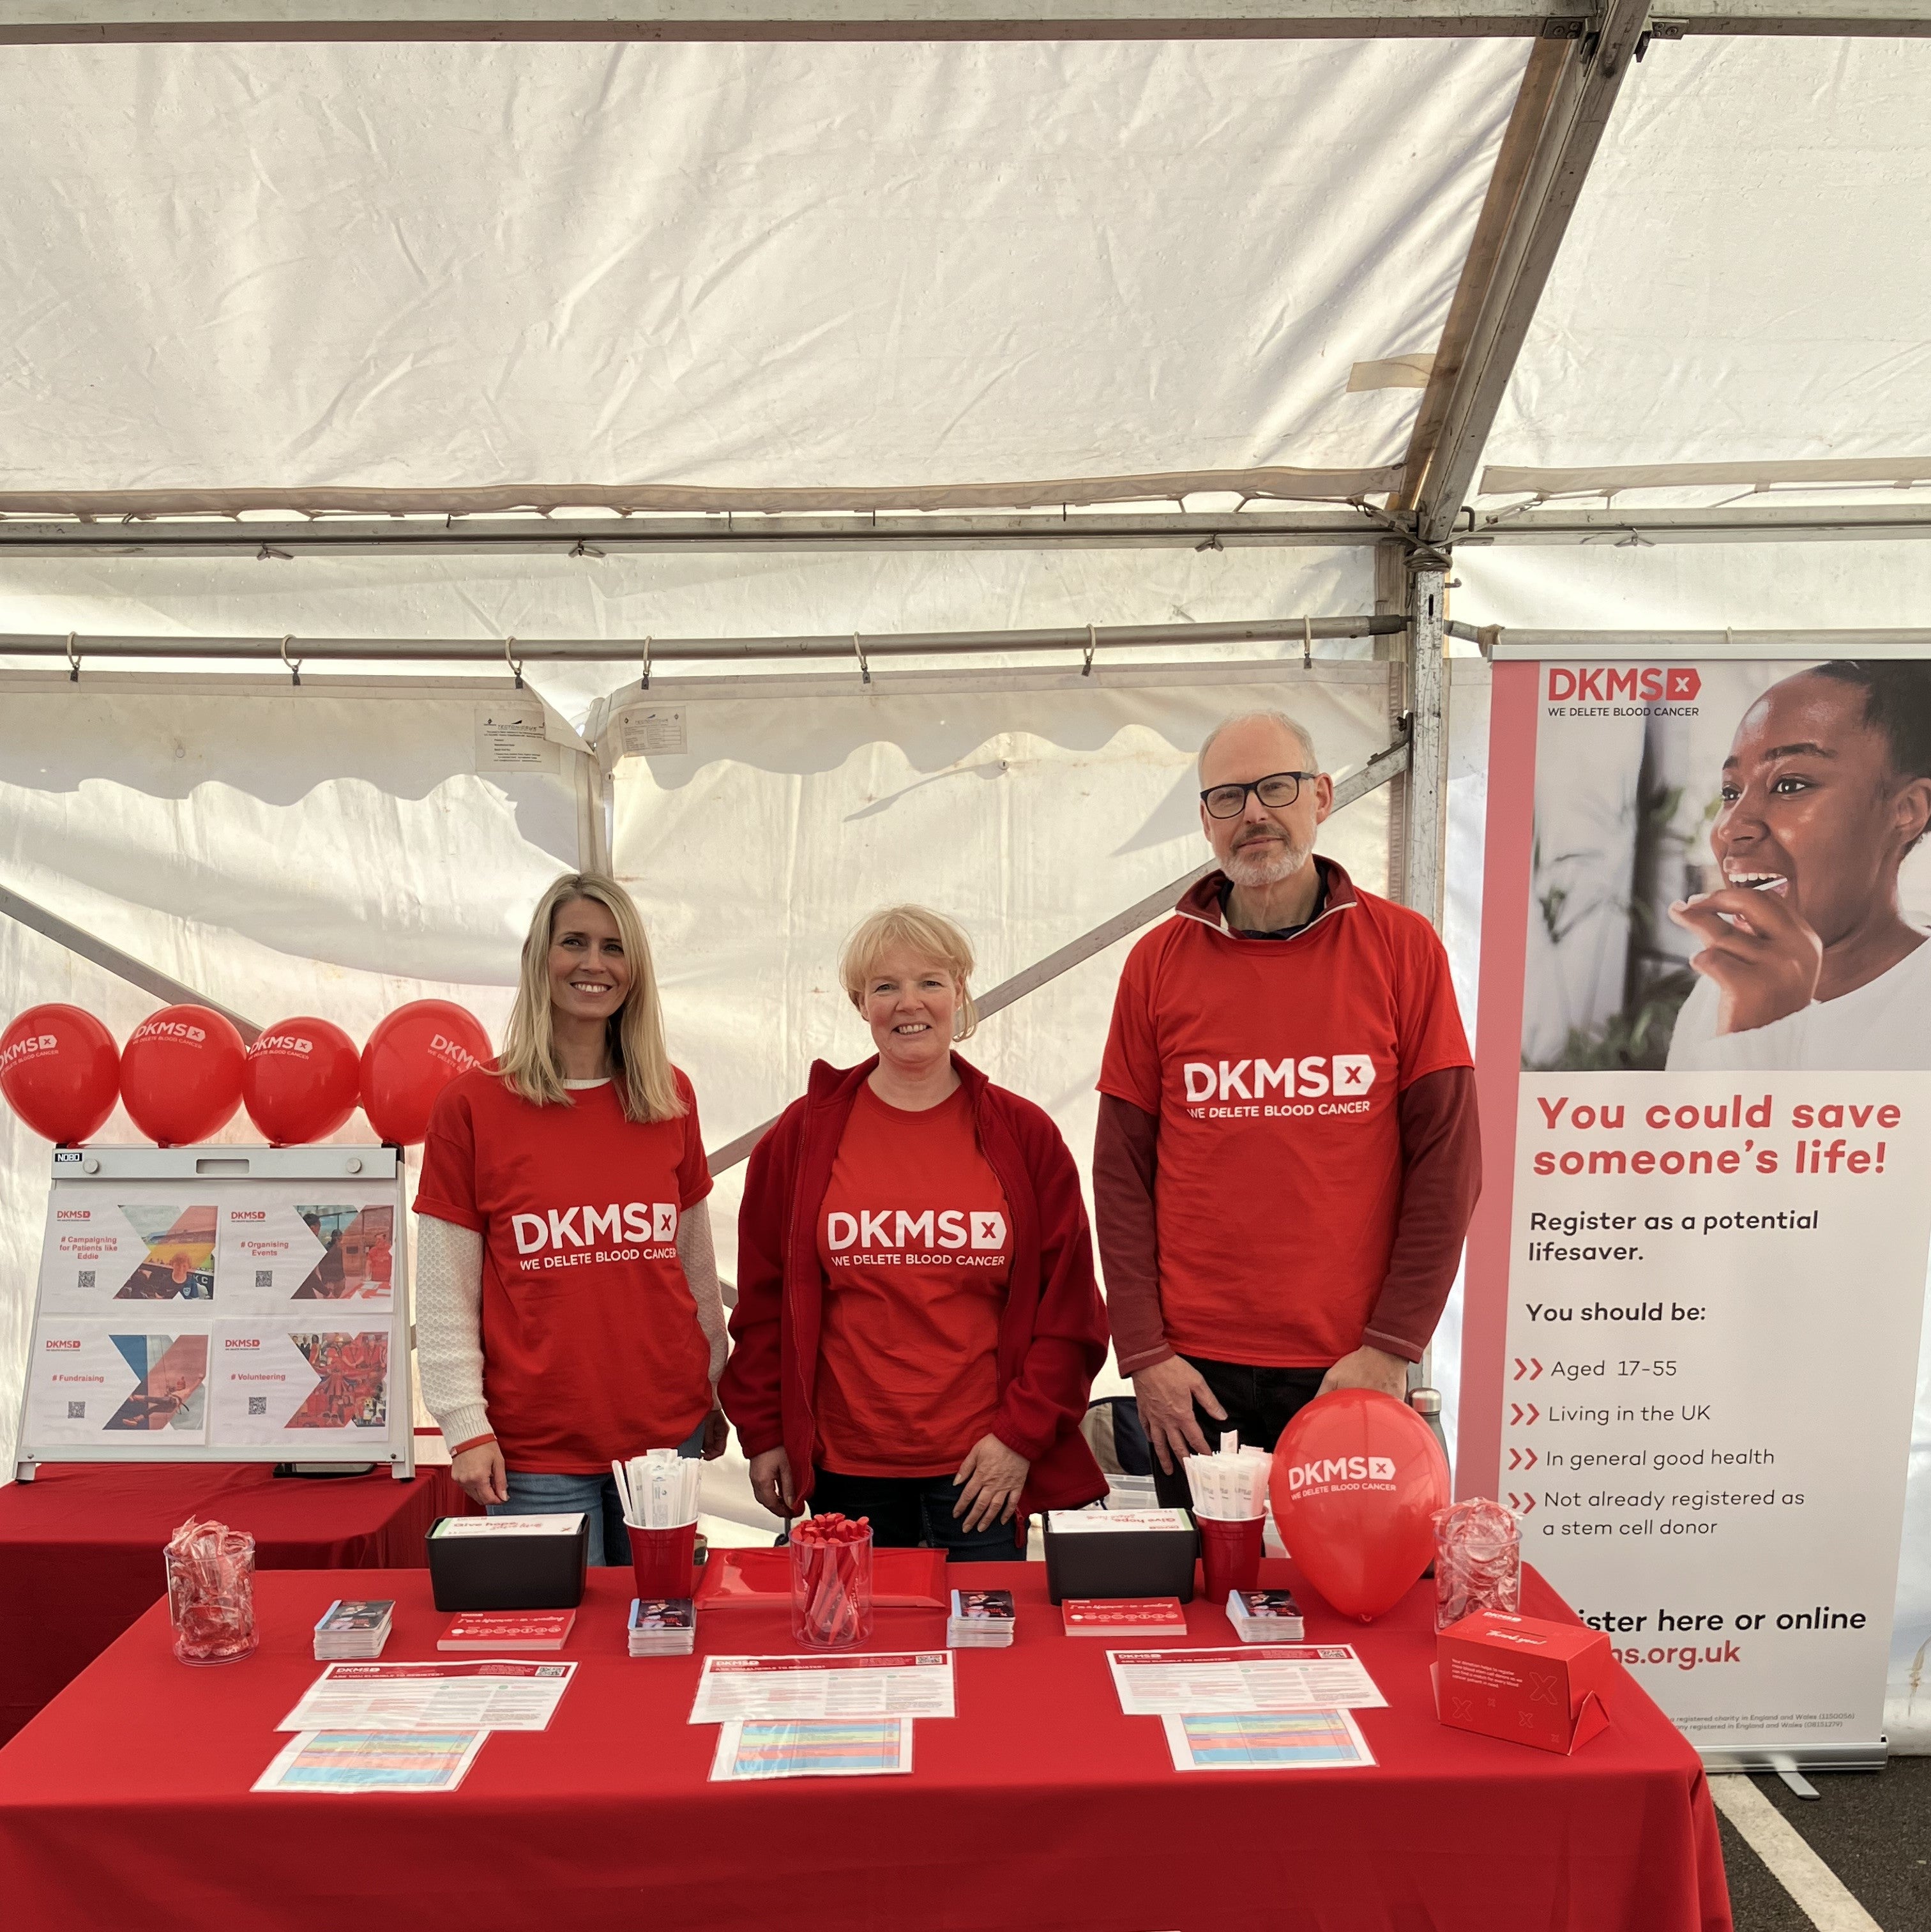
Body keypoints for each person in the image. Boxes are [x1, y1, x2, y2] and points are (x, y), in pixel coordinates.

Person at [1094, 709, 1480, 1507]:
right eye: (1228, 798)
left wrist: (1390, 1347)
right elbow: (1120, 1176)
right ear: (1205, 821)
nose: (1255, 815)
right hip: (1192, 1380)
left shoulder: (1403, 950)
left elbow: (1449, 1165)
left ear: (1323, 797)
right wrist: (1144, 1355)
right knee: (1203, 1613)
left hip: (1349, 1365)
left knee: (1349, 1614)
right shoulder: (1157, 964)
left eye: (1276, 787)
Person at [722, 905, 1108, 1555]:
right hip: (847, 1472)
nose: (910, 1003)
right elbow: (764, 1303)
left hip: (981, 1474)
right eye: (884, 986)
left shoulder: (1023, 1135)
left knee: (983, 1653)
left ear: (960, 991)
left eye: (930, 981)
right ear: (859, 1003)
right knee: (860, 1654)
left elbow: (1069, 1315)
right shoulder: (803, 1136)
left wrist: (1020, 1438)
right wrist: (763, 1432)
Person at [414, 872, 728, 1564]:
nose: (594, 963)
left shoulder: (669, 1095)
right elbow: (444, 1292)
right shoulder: (471, 1105)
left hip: (663, 1436)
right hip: (536, 1453)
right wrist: (465, 1426)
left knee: (659, 1631)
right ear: (540, 957)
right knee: (563, 1647)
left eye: (615, 947)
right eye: (574, 942)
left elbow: (693, 1266)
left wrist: (712, 1387)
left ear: (635, 970)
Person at [1667, 660, 1931, 1070]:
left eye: (1790, 785)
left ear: (1906, 811)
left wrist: (1762, 1035)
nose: (1732, 827)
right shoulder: (1716, 990)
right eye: (1731, 792)